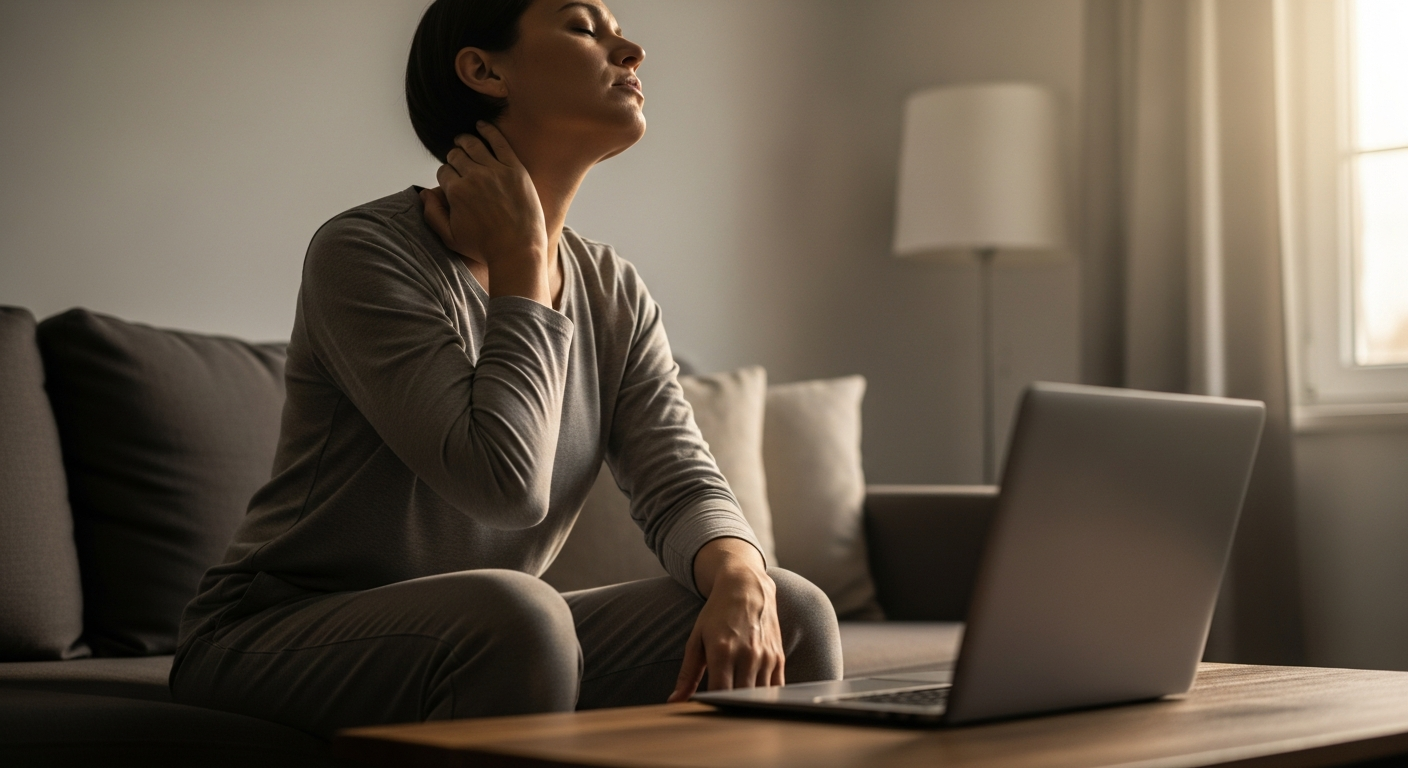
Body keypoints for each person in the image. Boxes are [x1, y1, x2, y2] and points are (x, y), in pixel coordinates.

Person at [170, 0, 842, 738]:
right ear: (484, 70)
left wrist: (742, 575)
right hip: (273, 635)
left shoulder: (612, 288)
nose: (633, 50)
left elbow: (679, 482)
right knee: (517, 614)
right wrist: (525, 262)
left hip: (486, 628)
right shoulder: (364, 253)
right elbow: (504, 485)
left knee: (793, 609)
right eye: (586, 26)